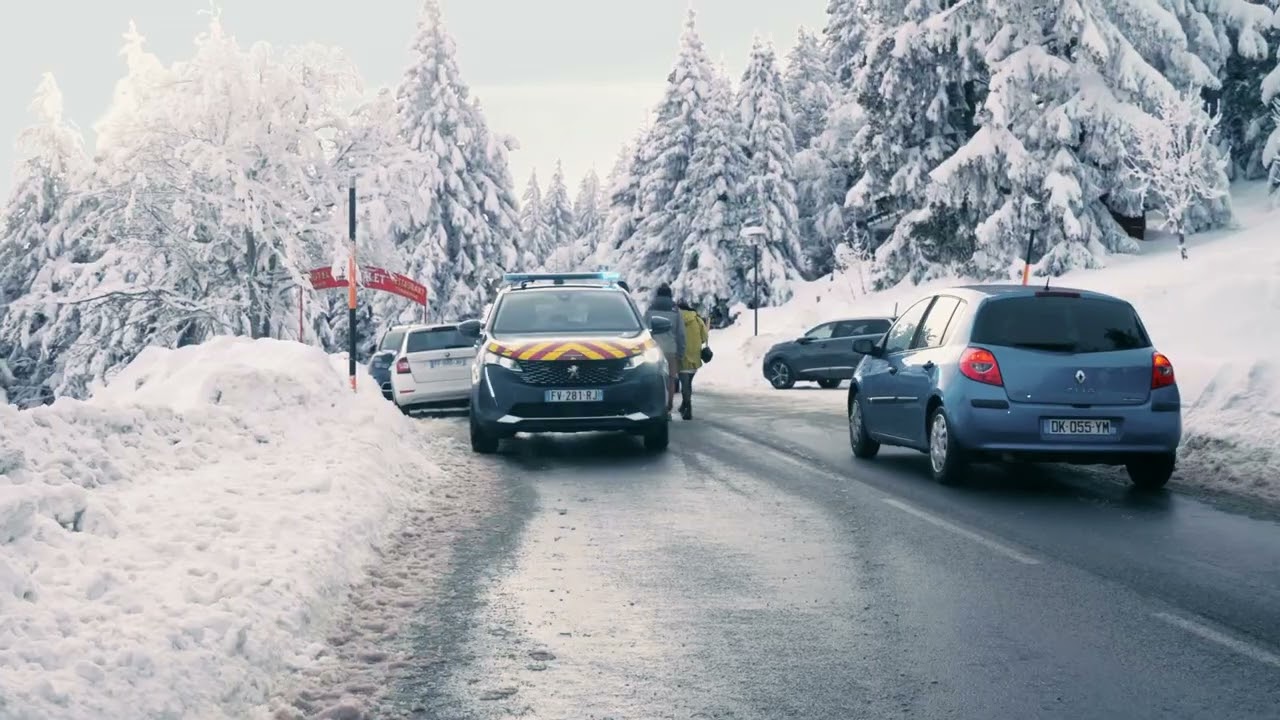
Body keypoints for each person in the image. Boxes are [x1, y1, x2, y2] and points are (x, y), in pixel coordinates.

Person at [643, 283, 686, 417]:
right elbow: (681, 334)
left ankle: (654, 404)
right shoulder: (675, 311)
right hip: (670, 349)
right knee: (671, 379)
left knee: (653, 378)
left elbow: (644, 330)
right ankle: (669, 405)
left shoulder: (650, 310)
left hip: (653, 350)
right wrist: (681, 351)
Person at [676, 299, 709, 420]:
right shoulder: (697, 318)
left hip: (681, 355)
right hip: (695, 356)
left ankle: (687, 407)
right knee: (688, 383)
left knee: (684, 383)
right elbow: (705, 337)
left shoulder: (676, 319)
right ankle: (684, 405)